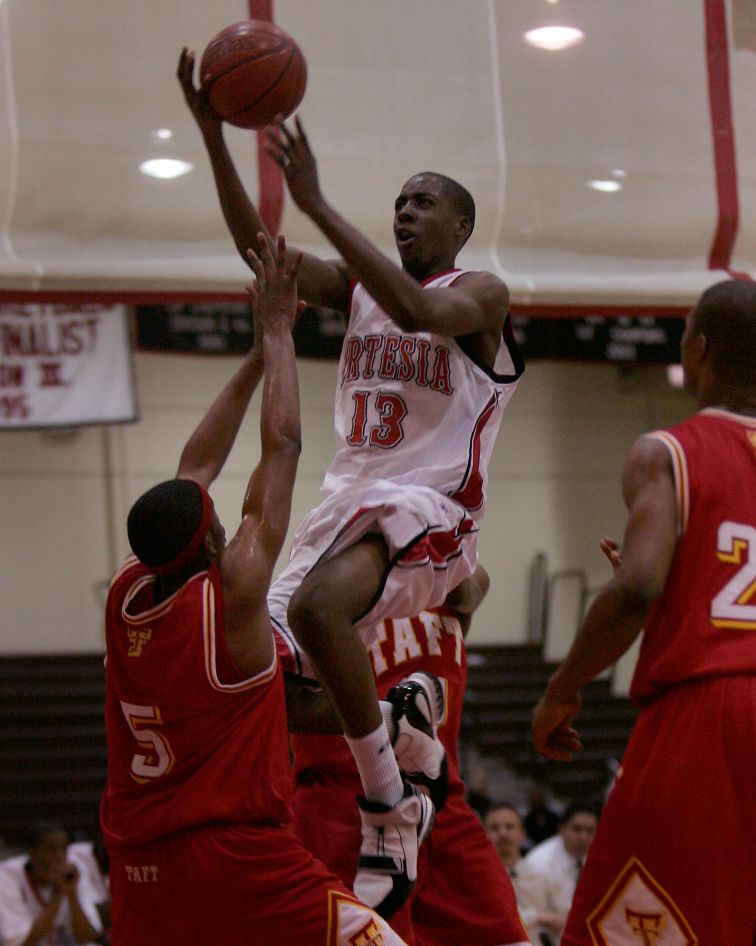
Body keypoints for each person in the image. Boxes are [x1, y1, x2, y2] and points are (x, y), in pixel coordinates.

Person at [178, 49, 525, 915]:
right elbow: (263, 253)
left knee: (313, 609)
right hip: (350, 508)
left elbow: (420, 313)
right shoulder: (361, 290)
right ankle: (406, 735)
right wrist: (213, 136)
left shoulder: (479, 292)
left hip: (435, 512)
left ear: (458, 227)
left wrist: (320, 204)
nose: (406, 212)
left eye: (424, 203)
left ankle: (388, 805)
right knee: (269, 690)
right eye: (400, 202)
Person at [99, 238, 411, 946]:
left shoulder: (126, 591)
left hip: (141, 865)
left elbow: (196, 462)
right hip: (234, 854)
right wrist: (276, 332)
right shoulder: (233, 595)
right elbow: (283, 449)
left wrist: (256, 354)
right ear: (212, 538)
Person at [531, 277, 756, 945]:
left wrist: (562, 688)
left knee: (635, 928)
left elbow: (636, 588)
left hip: (710, 715)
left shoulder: (668, 451)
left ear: (699, 348)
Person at [284, 566, 531, 946]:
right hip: (350, 809)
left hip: (442, 805)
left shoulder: (453, 573)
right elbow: (284, 704)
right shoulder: (314, 581)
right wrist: (387, 718)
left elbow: (475, 583)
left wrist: (437, 544)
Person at [0, 820, 103, 946]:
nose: (60, 856)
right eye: (51, 849)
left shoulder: (72, 870)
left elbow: (87, 937)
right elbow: (20, 943)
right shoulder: (7, 876)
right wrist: (58, 894)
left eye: (64, 849)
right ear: (32, 853)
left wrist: (71, 893)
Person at [484, 802, 566, 946]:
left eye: (509, 827)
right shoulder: (477, 879)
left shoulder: (541, 875)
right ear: (484, 835)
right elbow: (494, 920)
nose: (502, 833)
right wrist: (538, 916)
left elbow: (561, 920)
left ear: (523, 834)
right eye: (495, 828)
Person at [519, 803, 598, 945]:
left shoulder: (600, 856)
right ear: (561, 829)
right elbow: (533, 916)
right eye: (577, 829)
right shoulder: (538, 863)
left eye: (590, 831)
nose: (583, 837)